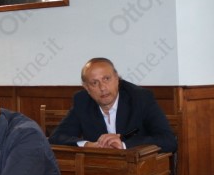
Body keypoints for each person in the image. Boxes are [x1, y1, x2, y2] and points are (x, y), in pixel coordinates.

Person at [49, 57, 177, 153]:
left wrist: (124, 145)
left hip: (139, 171)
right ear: (87, 88)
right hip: (100, 172)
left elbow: (168, 141)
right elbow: (56, 137)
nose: (102, 88)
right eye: (94, 83)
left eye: (106, 79)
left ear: (117, 78)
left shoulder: (140, 98)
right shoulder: (82, 101)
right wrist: (88, 145)